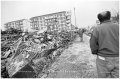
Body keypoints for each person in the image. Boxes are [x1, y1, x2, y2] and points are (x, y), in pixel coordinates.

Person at [90, 11, 119, 78]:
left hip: (103, 58)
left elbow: (93, 45)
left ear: (99, 20)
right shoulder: (118, 27)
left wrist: (95, 52)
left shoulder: (97, 29)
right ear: (110, 17)